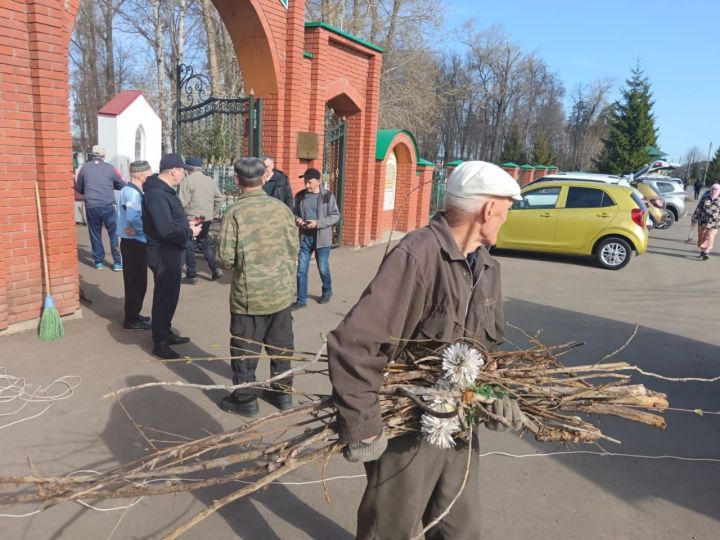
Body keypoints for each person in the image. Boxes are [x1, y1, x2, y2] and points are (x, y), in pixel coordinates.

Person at [327, 161, 526, 540]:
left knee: (460, 528)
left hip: (461, 426)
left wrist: (496, 398)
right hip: (409, 430)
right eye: (507, 209)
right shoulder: (417, 256)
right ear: (488, 210)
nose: (506, 218)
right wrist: (362, 426)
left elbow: (489, 352)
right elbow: (355, 343)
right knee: (390, 529)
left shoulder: (488, 268)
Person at [216, 157, 299, 416]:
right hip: (281, 293)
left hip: (249, 297)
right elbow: (293, 246)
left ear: (237, 180)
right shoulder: (282, 209)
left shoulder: (235, 213)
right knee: (281, 345)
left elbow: (225, 260)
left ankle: (246, 399)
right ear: (264, 178)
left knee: (245, 348)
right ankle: (283, 393)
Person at [142, 154, 202, 359]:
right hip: (163, 254)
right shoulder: (157, 194)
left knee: (169, 296)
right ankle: (159, 342)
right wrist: (189, 233)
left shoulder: (163, 192)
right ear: (174, 171)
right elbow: (165, 230)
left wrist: (186, 226)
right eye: (183, 171)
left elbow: (169, 223)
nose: (185, 174)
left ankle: (165, 332)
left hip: (170, 252)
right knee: (164, 298)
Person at [291, 168, 340, 309]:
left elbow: (335, 216)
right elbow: (293, 213)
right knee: (301, 270)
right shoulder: (300, 196)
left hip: (322, 239)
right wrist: (298, 220)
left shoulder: (328, 196)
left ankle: (327, 291)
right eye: (305, 182)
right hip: (305, 238)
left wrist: (318, 223)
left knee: (323, 268)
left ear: (319, 181)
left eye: (310, 182)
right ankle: (301, 300)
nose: (306, 185)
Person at [74, 145, 125, 270]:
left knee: (95, 233)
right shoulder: (111, 168)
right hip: (108, 204)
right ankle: (117, 262)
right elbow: (122, 184)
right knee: (113, 233)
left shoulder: (84, 169)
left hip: (92, 206)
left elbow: (79, 187)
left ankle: (98, 262)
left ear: (92, 154)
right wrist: (110, 186)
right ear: (104, 155)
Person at [117, 161, 152, 330]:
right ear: (140, 176)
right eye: (148, 175)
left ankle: (134, 314)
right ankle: (131, 320)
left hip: (133, 241)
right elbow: (133, 218)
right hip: (134, 243)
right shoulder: (132, 193)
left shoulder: (130, 190)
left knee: (137, 282)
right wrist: (145, 231)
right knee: (135, 283)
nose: (150, 178)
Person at [178, 156, 225, 283]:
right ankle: (215, 269)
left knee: (188, 246)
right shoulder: (209, 180)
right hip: (206, 218)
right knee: (203, 242)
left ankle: (192, 275)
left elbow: (181, 203)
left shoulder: (187, 181)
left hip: (193, 218)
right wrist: (213, 212)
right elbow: (220, 198)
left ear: (189, 168)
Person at [691, 183, 720, 260]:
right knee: (702, 236)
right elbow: (698, 209)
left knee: (710, 236)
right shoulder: (705, 198)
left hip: (715, 223)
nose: (714, 191)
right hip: (703, 221)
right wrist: (694, 218)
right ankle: (702, 251)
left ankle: (706, 252)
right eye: (712, 189)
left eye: (716, 189)